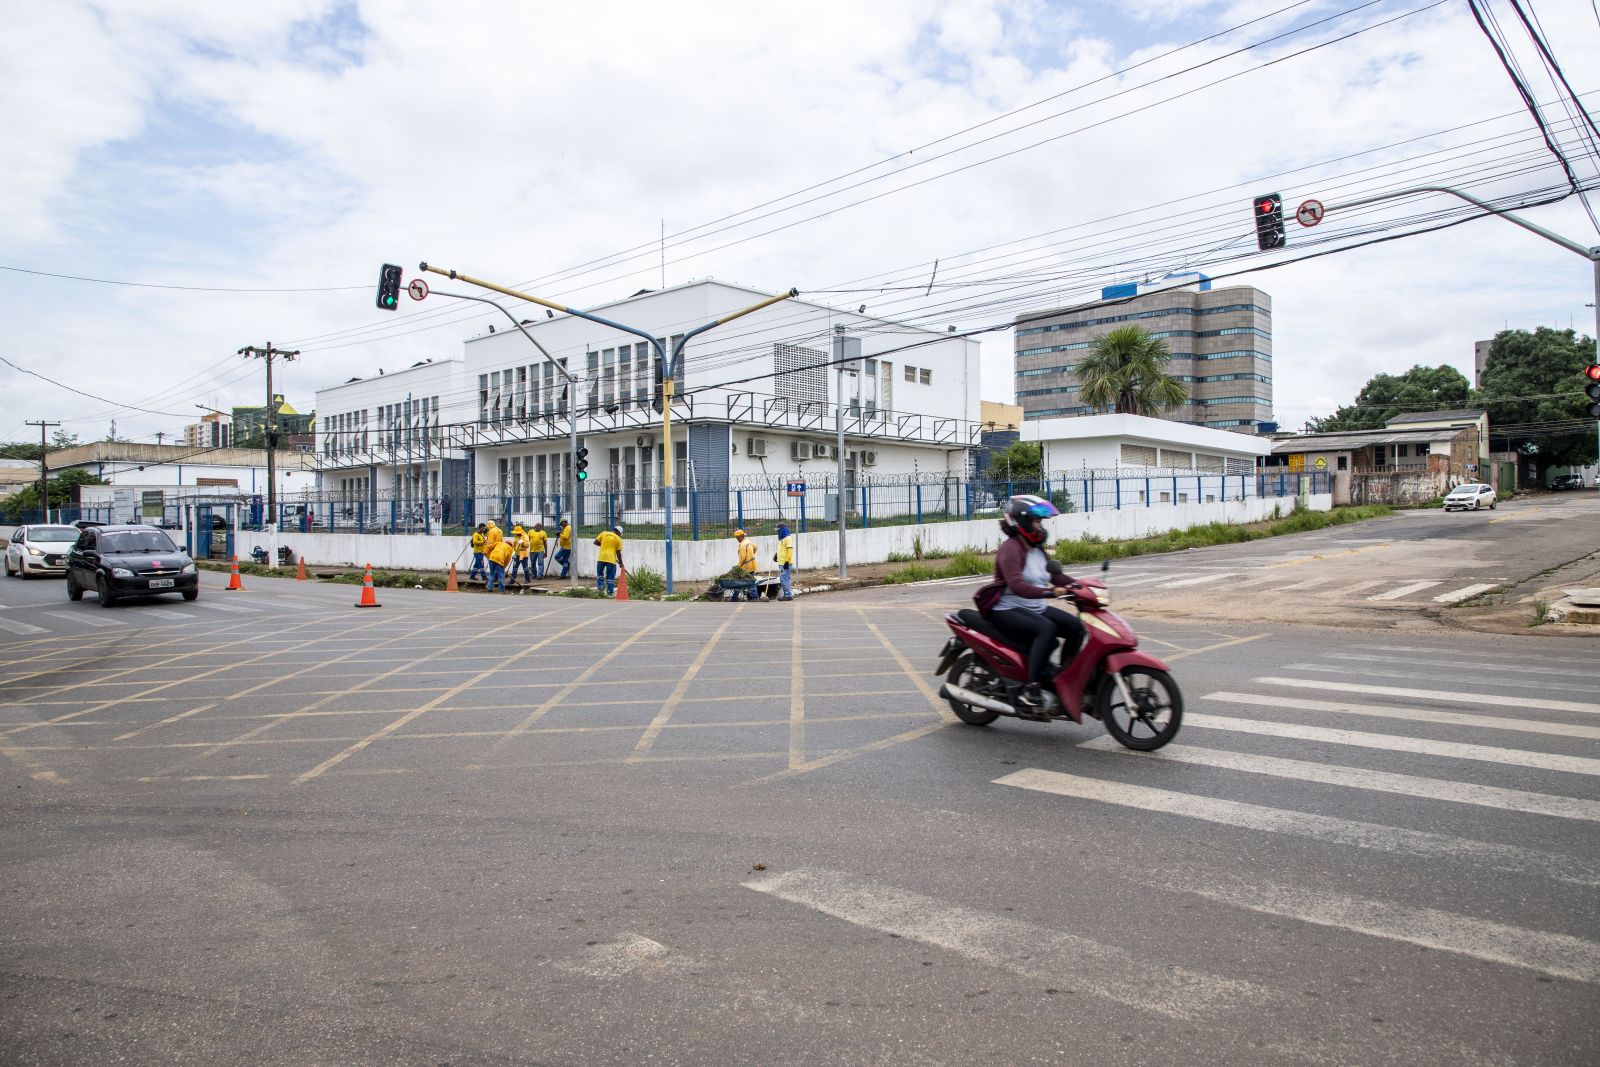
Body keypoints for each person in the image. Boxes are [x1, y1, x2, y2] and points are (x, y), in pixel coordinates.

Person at [989, 494, 1084, 710]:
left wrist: (1081, 586)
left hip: (1032, 607)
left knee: (1076, 627)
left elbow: (1056, 577)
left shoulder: (1037, 550)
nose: (1040, 527)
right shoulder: (1010, 549)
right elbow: (1017, 585)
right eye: (1036, 521)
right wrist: (1050, 593)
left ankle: (1065, 675)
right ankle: (1030, 689)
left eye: (1041, 522)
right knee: (1046, 629)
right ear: (1021, 521)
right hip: (1007, 608)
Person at [594, 524, 624, 596]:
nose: (619, 535)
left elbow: (596, 542)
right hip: (611, 560)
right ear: (619, 533)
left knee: (600, 575)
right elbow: (618, 553)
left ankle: (600, 591)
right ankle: (610, 593)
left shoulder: (604, 533)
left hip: (601, 558)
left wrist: (604, 544)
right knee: (610, 577)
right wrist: (620, 563)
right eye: (620, 534)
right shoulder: (618, 539)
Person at [733, 529, 760, 601]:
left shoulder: (742, 545)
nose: (737, 539)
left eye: (738, 538)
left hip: (747, 566)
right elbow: (755, 547)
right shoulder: (748, 541)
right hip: (752, 564)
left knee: (743, 581)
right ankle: (735, 597)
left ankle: (755, 597)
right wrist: (751, 555)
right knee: (747, 580)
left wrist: (739, 566)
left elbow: (742, 557)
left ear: (741, 536)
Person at [774, 523, 795, 601]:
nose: (777, 532)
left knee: (784, 579)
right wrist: (776, 555)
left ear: (782, 530)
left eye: (778, 531)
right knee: (784, 578)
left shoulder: (788, 538)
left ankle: (788, 595)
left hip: (785, 563)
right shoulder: (782, 539)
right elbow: (782, 549)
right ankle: (787, 594)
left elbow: (790, 550)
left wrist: (787, 561)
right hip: (781, 562)